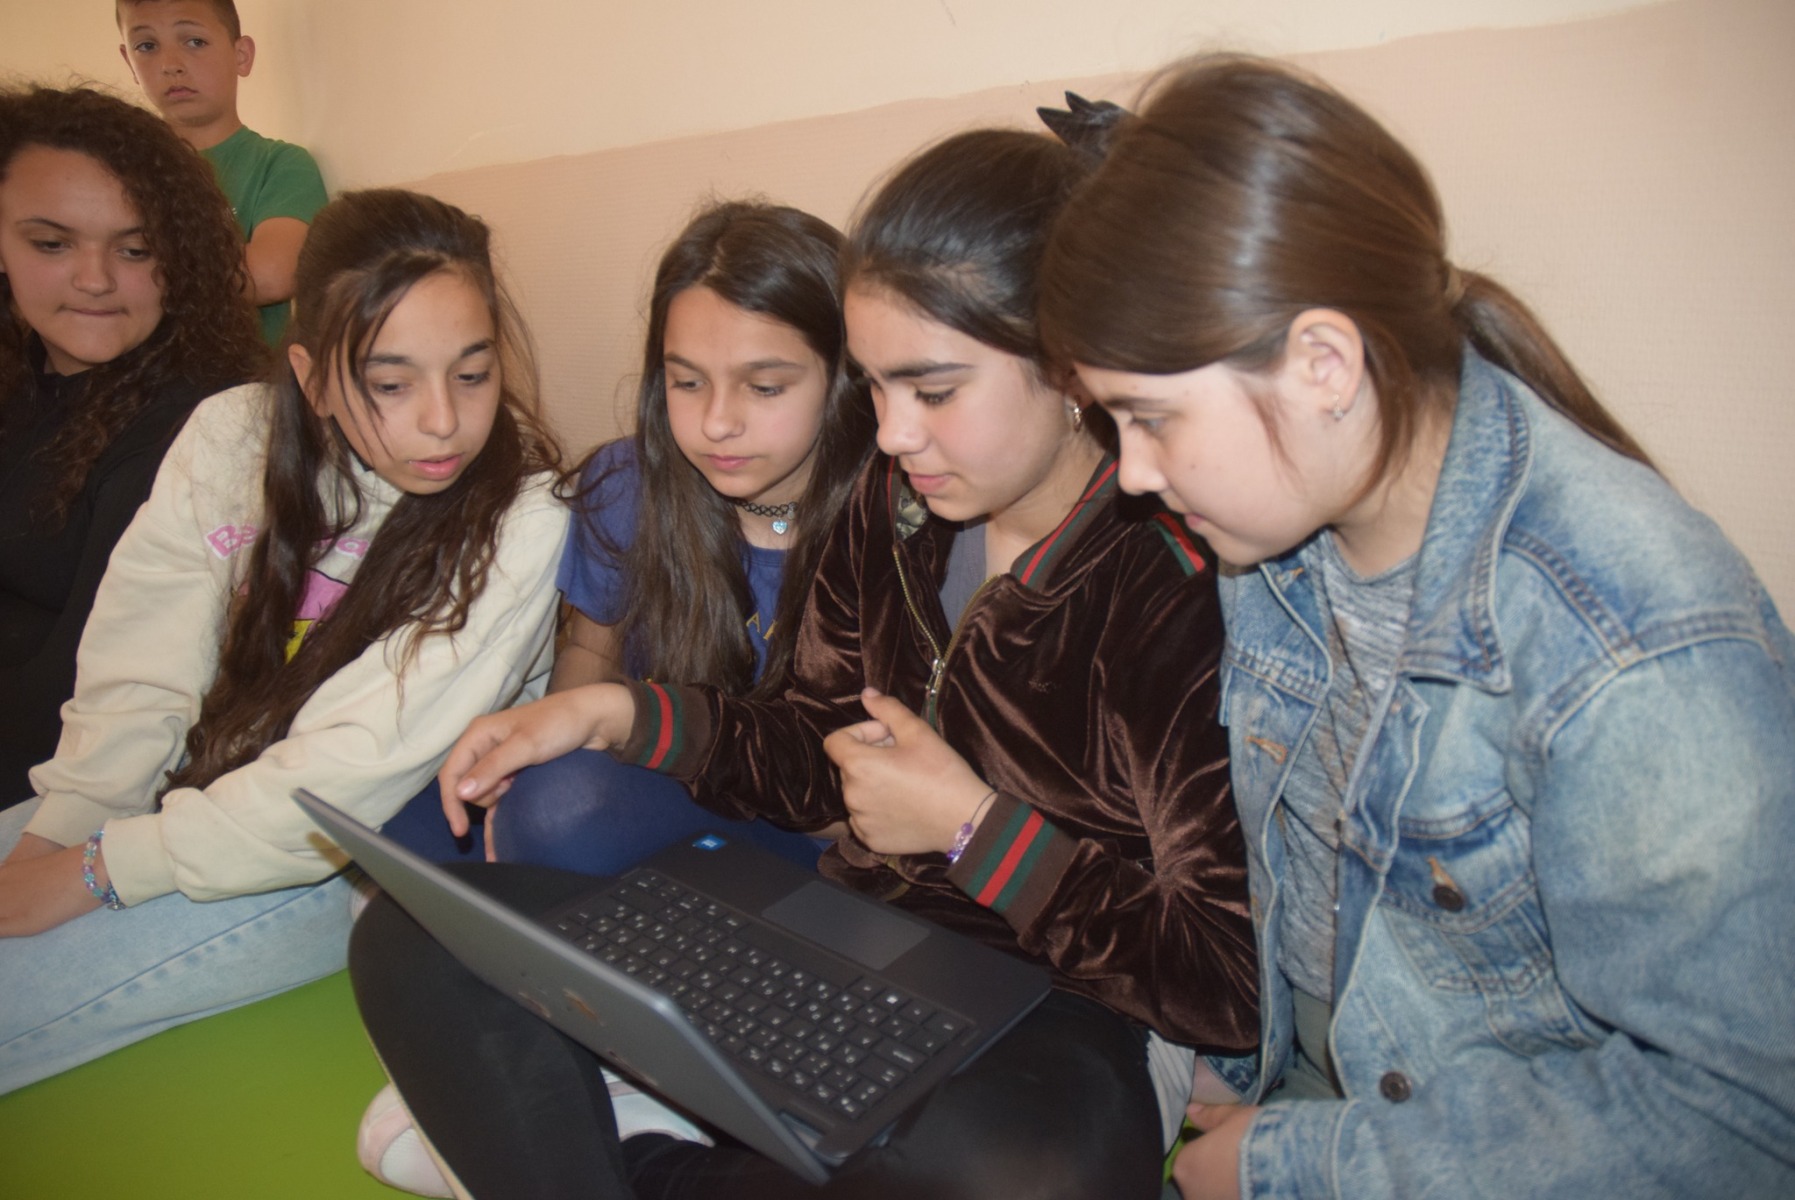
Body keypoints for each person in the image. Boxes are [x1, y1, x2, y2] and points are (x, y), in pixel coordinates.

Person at [349, 126, 1259, 1200]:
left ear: (1068, 365)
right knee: (416, 942)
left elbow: (1224, 978)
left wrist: (970, 828)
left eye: (932, 391)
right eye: (873, 389)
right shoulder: (890, 503)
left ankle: (622, 1150)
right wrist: (613, 715)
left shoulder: (1173, 576)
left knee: (1015, 1178)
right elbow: (804, 750)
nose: (889, 435)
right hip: (850, 937)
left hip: (1059, 1002)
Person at [1037, 53, 1795, 1200]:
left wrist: (1293, 1166)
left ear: (1322, 364)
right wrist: (1236, 1075)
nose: (1133, 474)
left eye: (1150, 419)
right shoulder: (1281, 530)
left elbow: (1738, 1123)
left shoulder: (1629, 647)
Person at [0, 187, 567, 1095]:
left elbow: (343, 778)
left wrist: (98, 870)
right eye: (390, 383)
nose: (442, 420)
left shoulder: (525, 516)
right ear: (311, 377)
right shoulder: (232, 435)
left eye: (472, 374)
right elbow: (139, 669)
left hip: (335, 858)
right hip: (189, 790)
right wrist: (63, 827)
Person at [378, 199, 874, 873]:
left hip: (816, 830)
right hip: (667, 785)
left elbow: (861, 807)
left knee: (559, 812)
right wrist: (537, 753)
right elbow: (591, 649)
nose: (716, 422)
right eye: (686, 381)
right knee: (416, 817)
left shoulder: (893, 528)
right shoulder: (627, 485)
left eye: (763, 387)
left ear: (844, 377)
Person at [0, 84, 265, 808]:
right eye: (51, 244)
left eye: (135, 249)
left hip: (72, 781)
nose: (95, 279)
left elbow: (81, 706)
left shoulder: (201, 429)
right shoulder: (25, 371)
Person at [117, 0, 327, 344]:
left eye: (194, 41)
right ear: (129, 62)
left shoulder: (280, 164)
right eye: (147, 46)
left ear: (241, 55)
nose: (170, 65)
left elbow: (272, 275)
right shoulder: (114, 170)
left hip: (244, 373)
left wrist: (136, 274)